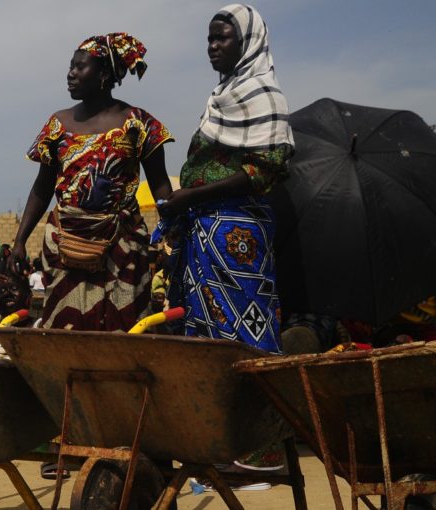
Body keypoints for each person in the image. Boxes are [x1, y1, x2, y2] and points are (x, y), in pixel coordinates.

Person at [161, 4, 295, 488]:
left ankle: (258, 454)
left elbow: (266, 168)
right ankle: (219, 449)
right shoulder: (223, 95)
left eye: (222, 39)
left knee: (246, 336)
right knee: (209, 339)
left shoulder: (264, 94)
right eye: (210, 39)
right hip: (204, 236)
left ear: (248, 43)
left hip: (237, 238)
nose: (213, 47)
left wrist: (190, 195)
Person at [11, 32, 175, 332]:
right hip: (65, 244)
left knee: (124, 329)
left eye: (79, 67)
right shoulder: (57, 125)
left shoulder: (138, 123)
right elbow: (42, 187)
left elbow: (161, 186)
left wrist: (172, 238)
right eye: (71, 66)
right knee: (64, 325)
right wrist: (20, 240)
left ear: (103, 74)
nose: (70, 74)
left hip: (122, 246)